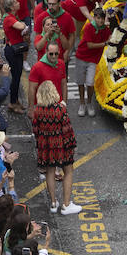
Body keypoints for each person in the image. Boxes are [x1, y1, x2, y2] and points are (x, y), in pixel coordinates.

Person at [32, 78, 81, 214]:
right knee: (68, 171)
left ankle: (53, 203)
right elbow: (67, 130)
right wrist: (72, 145)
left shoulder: (38, 111)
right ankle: (66, 204)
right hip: (61, 147)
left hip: (45, 147)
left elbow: (35, 130)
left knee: (50, 172)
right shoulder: (60, 109)